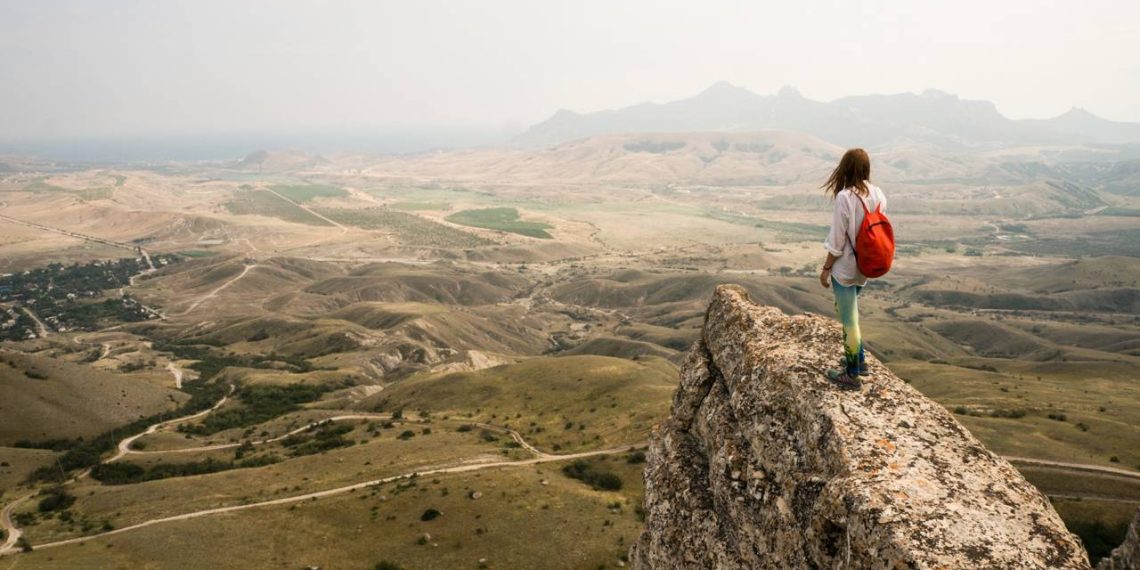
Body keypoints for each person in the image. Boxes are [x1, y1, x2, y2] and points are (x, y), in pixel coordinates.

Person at [818, 148, 887, 390]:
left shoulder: (845, 197)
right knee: (849, 311)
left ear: (845, 168)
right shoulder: (879, 194)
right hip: (865, 266)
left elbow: (837, 240)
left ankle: (852, 373)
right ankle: (858, 359)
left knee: (849, 320)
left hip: (845, 267)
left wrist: (826, 268)